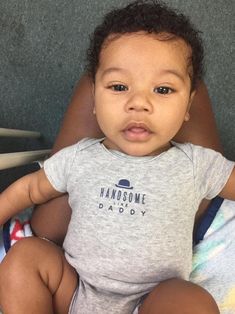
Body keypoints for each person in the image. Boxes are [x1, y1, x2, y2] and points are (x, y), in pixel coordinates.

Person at [0, 1, 234, 313]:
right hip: (74, 292)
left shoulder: (198, 164)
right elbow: (30, 189)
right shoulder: (79, 157)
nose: (139, 103)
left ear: (189, 105)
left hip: (151, 301)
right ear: (93, 98)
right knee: (26, 256)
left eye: (163, 90)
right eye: (119, 86)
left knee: (189, 300)